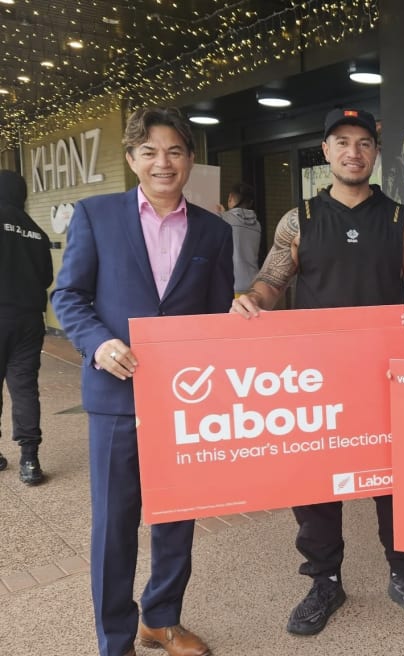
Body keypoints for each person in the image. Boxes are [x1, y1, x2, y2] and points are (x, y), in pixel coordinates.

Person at [230, 108, 404, 636]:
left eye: (365, 142)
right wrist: (251, 300)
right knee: (315, 479)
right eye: (342, 142)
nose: (354, 151)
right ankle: (324, 580)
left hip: (383, 372)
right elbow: (270, 284)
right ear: (325, 152)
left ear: (376, 152)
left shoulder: (401, 220)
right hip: (316, 375)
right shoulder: (297, 219)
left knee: (395, 479)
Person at [52, 106, 231, 656]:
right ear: (131, 159)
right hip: (115, 398)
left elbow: (217, 315)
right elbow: (68, 296)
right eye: (150, 151)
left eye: (175, 150)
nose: (163, 162)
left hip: (184, 401)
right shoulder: (96, 216)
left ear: (190, 159)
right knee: (114, 524)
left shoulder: (214, 231)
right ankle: (116, 639)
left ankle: (162, 619)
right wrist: (98, 342)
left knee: (177, 517)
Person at [0, 169, 53, 485]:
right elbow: (46, 278)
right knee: (24, 388)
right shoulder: (36, 231)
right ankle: (30, 460)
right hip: (29, 321)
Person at [218, 181, 262, 295]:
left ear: (230, 197)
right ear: (250, 202)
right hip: (253, 286)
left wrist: (221, 215)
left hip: (231, 286)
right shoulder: (257, 224)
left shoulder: (223, 219)